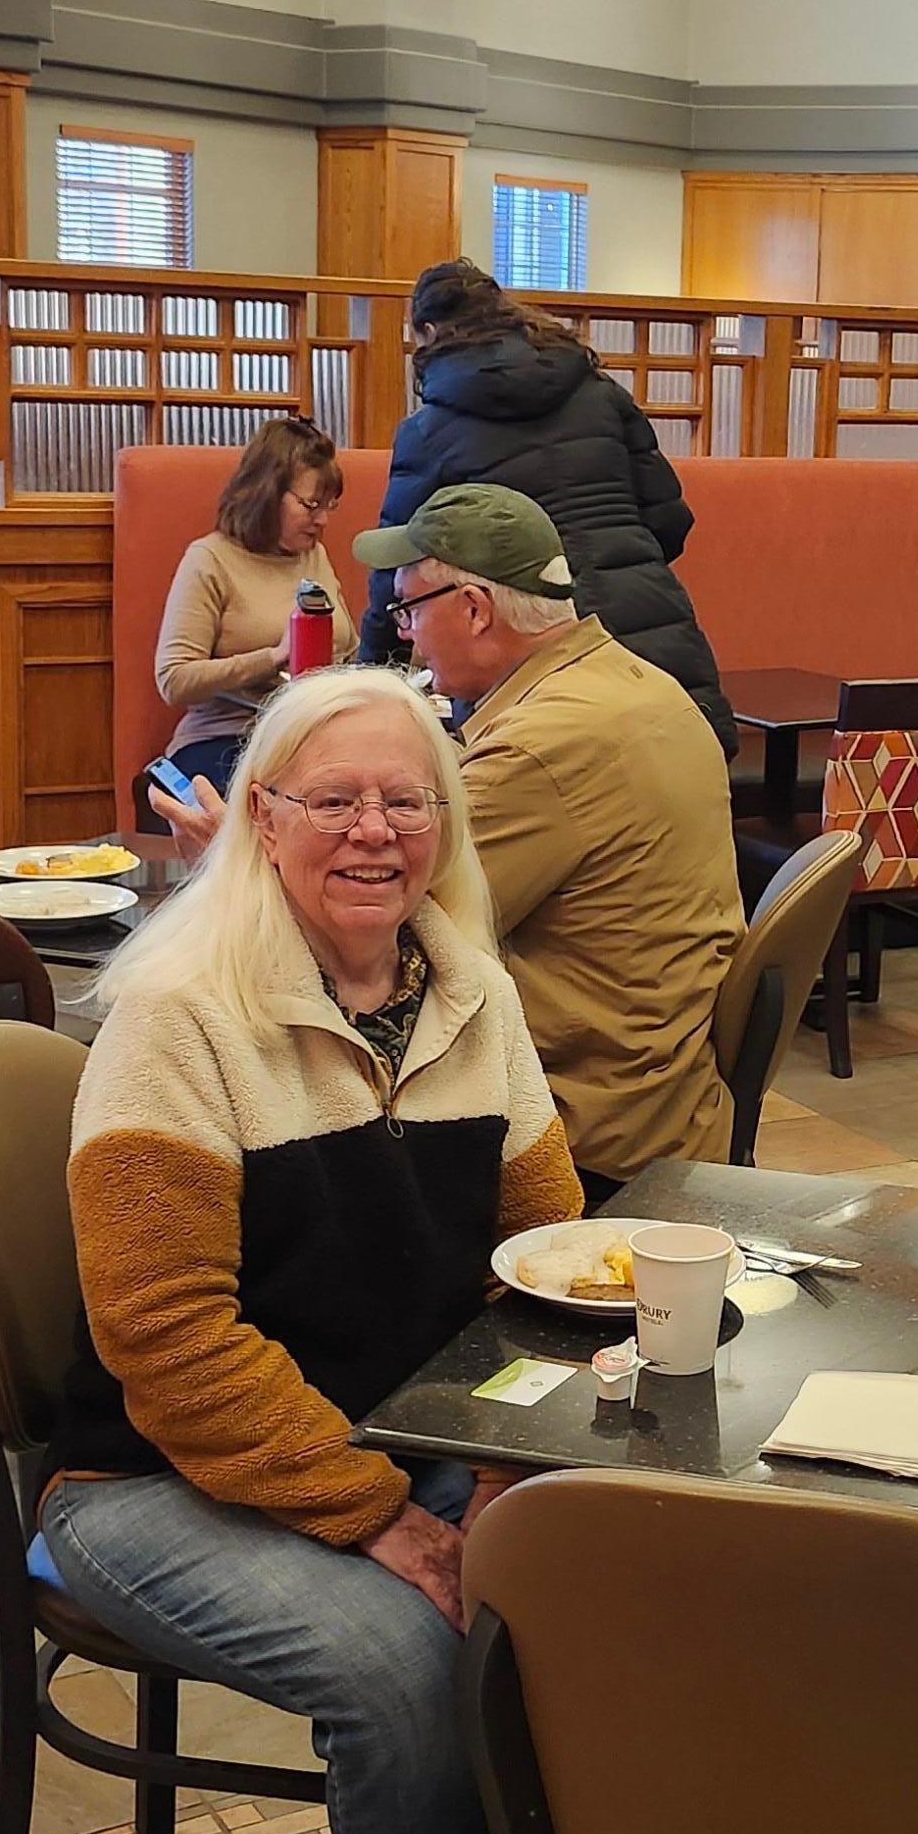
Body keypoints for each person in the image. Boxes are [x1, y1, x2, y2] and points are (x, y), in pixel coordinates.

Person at [39, 664, 581, 1834]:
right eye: (330, 798)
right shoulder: (182, 1010)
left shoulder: (469, 990)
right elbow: (166, 1344)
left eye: (405, 799)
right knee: (408, 1667)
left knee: (600, 1580)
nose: (373, 830)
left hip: (393, 1441)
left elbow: (546, 1254)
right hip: (142, 1480)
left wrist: (494, 1475)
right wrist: (388, 1523)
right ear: (259, 821)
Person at [350, 483, 740, 1198]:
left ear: (473, 609)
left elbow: (389, 926)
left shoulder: (543, 745)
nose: (402, 632)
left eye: (409, 609)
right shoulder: (637, 683)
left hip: (585, 1132)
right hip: (666, 1094)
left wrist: (263, 849)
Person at [358, 260, 734, 755]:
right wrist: (619, 555)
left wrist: (368, 678)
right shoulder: (601, 392)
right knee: (681, 773)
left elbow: (399, 569)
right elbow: (670, 520)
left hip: (525, 650)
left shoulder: (429, 431)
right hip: (650, 631)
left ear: (427, 333)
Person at [152, 415, 349, 799]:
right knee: (293, 803)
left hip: (313, 732)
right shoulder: (209, 559)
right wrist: (273, 657)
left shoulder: (315, 555)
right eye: (311, 505)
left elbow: (348, 647)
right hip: (229, 736)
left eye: (329, 507)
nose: (322, 520)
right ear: (267, 492)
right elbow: (174, 680)